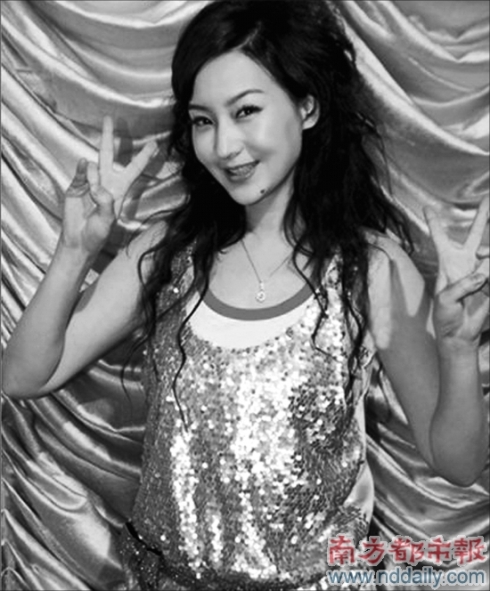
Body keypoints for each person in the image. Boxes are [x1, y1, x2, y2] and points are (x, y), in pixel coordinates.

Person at [2, 1, 488, 590]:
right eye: (203, 121)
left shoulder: (371, 267)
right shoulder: (166, 253)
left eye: (246, 111)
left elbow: (458, 463)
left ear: (307, 106)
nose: (225, 145)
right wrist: (75, 250)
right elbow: (23, 376)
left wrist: (458, 349)